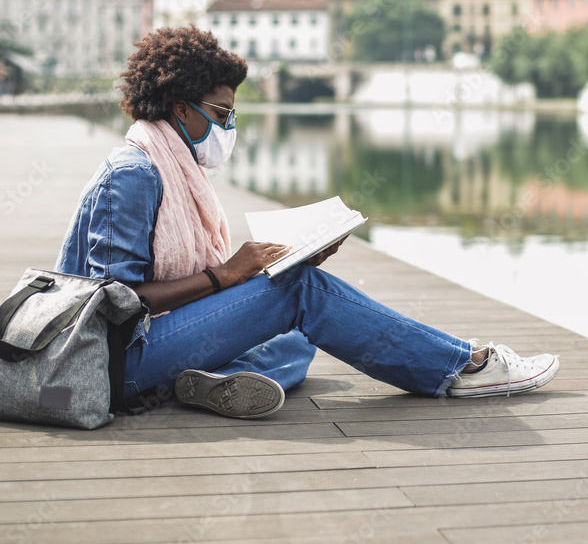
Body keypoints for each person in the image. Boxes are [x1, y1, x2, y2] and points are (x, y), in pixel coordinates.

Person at [55, 26, 558, 419]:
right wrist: (224, 276)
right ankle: (464, 365)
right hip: (112, 364)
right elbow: (114, 300)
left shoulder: (173, 165)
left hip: (147, 346)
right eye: (221, 112)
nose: (230, 125)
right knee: (301, 293)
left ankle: (206, 381)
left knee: (296, 336)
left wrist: (273, 262)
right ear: (180, 107)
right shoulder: (136, 174)